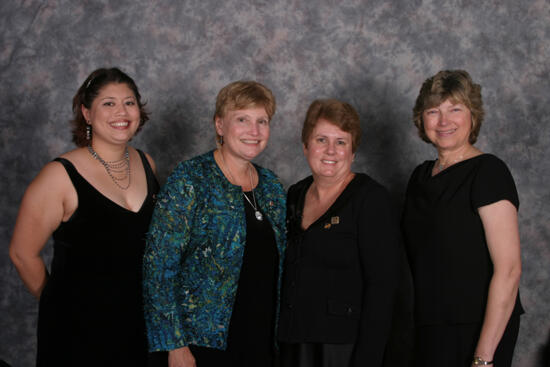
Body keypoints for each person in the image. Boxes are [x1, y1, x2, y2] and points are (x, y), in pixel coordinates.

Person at [8, 67, 159, 366]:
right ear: (87, 114)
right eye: (108, 103)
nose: (122, 111)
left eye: (129, 102)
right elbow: (22, 254)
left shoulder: (146, 163)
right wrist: (59, 306)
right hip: (78, 331)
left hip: (139, 325)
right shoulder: (59, 176)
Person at [143, 81, 286, 367]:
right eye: (242, 120)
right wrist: (175, 345)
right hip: (201, 346)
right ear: (220, 125)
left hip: (260, 339)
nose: (254, 131)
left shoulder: (271, 186)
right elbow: (158, 267)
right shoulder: (190, 179)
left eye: (262, 121)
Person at [402, 70, 524, 366]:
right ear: (422, 119)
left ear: (473, 116)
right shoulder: (419, 177)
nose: (444, 122)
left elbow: (509, 270)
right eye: (434, 111)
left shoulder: (488, 172)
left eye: (455, 109)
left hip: (477, 330)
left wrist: (483, 358)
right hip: (426, 327)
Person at [278, 99, 400, 367]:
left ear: (353, 152)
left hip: (343, 349)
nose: (331, 150)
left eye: (341, 142)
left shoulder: (371, 199)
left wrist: (367, 359)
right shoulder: (295, 195)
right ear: (306, 146)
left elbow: (382, 289)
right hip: (292, 343)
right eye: (321, 139)